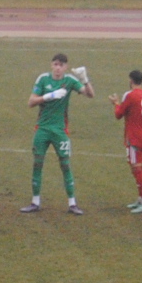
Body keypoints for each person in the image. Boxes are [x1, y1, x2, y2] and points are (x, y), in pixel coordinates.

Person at [23, 54, 90, 214]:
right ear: (51, 65)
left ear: (66, 67)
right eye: (55, 64)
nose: (58, 68)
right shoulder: (43, 79)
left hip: (60, 131)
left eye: (61, 65)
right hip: (42, 129)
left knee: (65, 165)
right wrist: (49, 96)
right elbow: (31, 102)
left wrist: (85, 80)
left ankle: (72, 204)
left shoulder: (70, 81)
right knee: (37, 164)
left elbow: (90, 94)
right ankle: (35, 202)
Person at [111, 70, 142, 213]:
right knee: (138, 167)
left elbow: (118, 114)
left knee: (137, 168)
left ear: (131, 80)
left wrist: (116, 103)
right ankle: (141, 198)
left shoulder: (130, 95)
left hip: (134, 137)